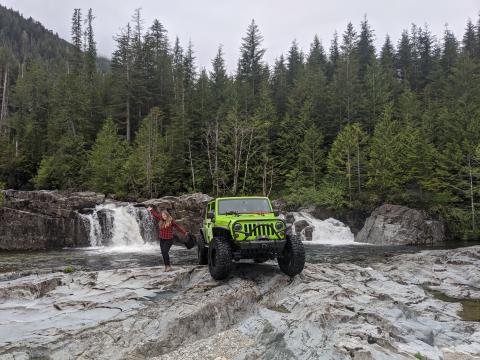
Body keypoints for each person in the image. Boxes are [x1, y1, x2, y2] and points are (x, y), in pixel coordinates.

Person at [147, 207, 188, 272]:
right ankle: (166, 266)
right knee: (163, 253)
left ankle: (168, 266)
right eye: (163, 215)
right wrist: (151, 210)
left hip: (169, 240)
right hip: (162, 239)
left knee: (165, 252)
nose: (164, 216)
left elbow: (178, 227)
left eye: (165, 215)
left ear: (167, 215)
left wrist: (184, 232)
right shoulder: (160, 218)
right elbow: (155, 214)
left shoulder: (171, 221)